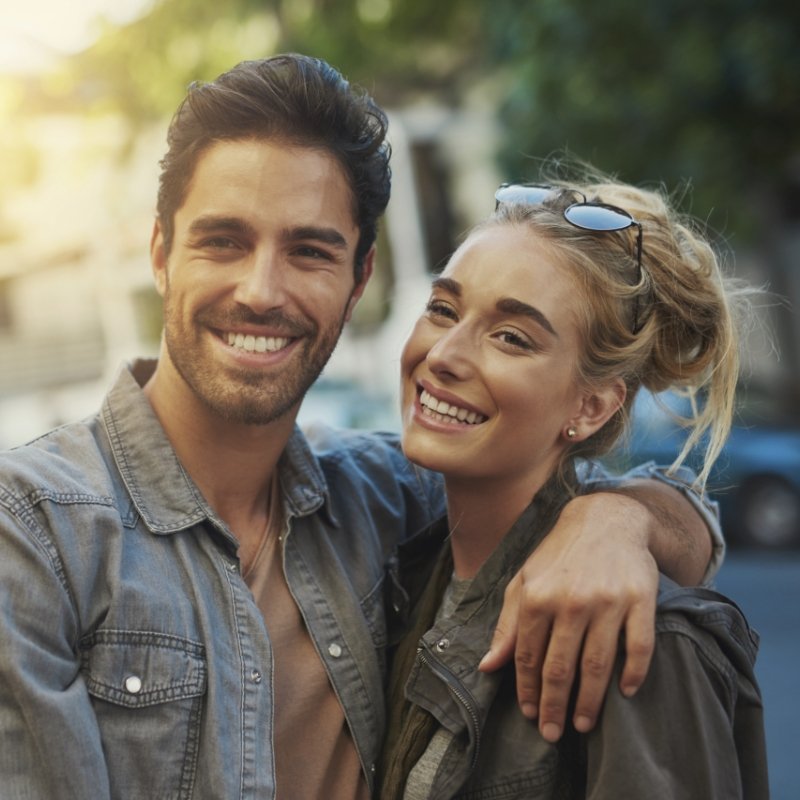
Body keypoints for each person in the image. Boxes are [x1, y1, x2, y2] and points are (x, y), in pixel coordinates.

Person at [0, 55, 720, 799]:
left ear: (359, 280)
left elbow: (582, 501)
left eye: (309, 251)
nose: (260, 290)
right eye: (223, 242)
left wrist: (617, 519)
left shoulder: (383, 501)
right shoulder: (33, 532)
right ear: (160, 254)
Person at [377, 177, 769, 799]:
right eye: (444, 310)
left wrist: (621, 517)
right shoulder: (405, 571)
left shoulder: (636, 637)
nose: (445, 354)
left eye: (512, 337)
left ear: (590, 408)